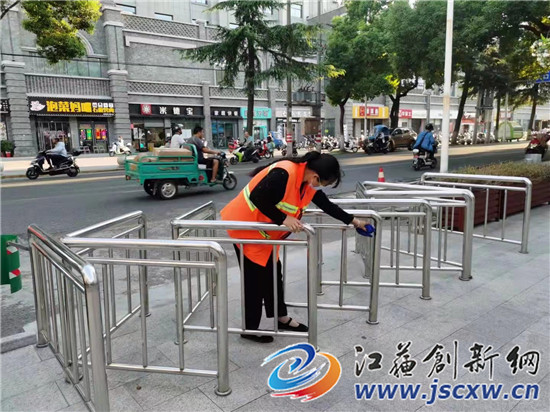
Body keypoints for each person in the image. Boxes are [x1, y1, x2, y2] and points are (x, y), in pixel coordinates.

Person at [220, 152, 370, 343]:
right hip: (246, 230)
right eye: (323, 183)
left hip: (264, 235)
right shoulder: (285, 173)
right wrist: (284, 218)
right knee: (255, 281)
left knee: (274, 274)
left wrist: (355, 221)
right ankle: (249, 329)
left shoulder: (304, 182)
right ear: (316, 176)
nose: (320, 187)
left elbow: (326, 205)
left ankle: (281, 317)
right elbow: (258, 196)